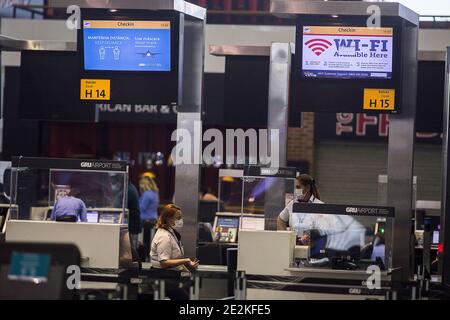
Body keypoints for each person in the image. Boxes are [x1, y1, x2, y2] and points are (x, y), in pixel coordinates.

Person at [151, 204, 199, 300]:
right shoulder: (164, 236)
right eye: (178, 217)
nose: (181, 220)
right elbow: (164, 263)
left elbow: (175, 258)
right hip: (163, 277)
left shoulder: (171, 233)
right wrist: (185, 261)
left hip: (171, 275)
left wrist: (187, 265)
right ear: (170, 219)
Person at [139, 175, 160, 261]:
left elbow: (141, 207)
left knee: (144, 243)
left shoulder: (146, 194)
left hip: (145, 221)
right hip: (154, 220)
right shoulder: (155, 193)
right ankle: (150, 260)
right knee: (151, 243)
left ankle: (144, 260)